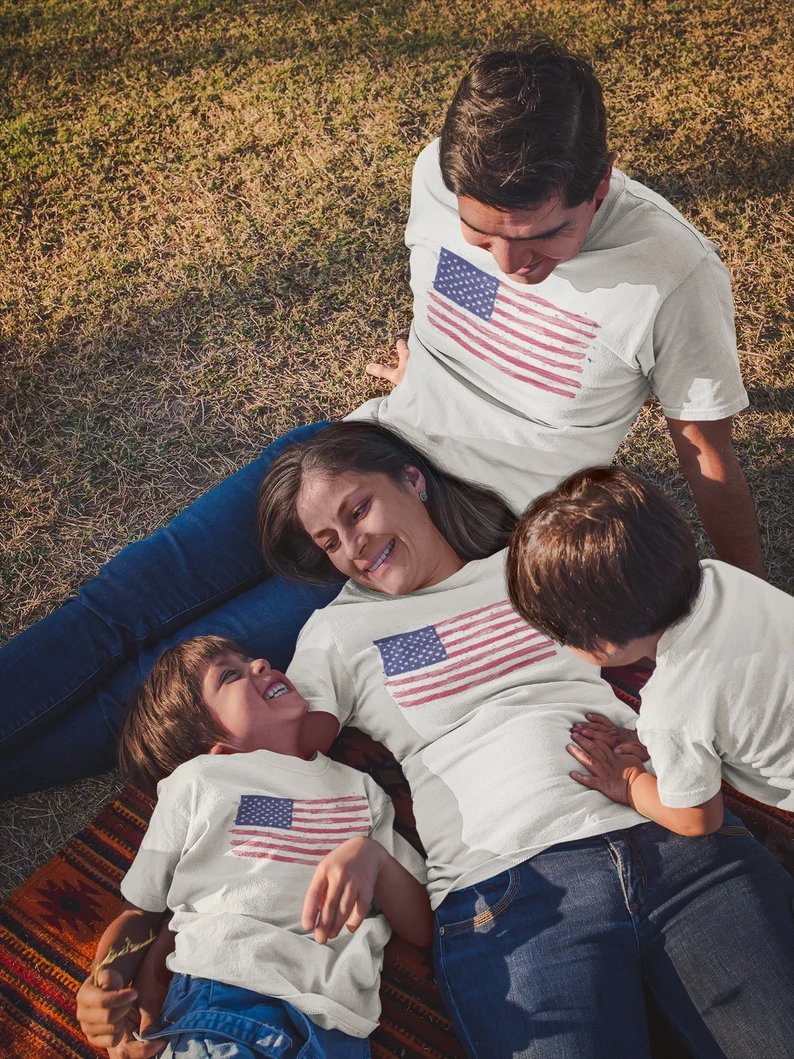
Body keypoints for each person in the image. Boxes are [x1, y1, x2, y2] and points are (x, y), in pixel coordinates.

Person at [0, 37, 764, 797]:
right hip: (348, 459)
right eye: (483, 235)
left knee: (182, 678)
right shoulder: (436, 174)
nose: (510, 263)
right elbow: (473, 309)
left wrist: (748, 604)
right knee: (123, 596)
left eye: (543, 238)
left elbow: (708, 455)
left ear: (598, 183)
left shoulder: (671, 273)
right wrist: (427, 378)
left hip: (442, 536)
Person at [254, 421, 794, 1059]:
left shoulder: (532, 561)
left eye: (358, 509)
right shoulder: (337, 634)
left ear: (411, 479)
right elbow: (267, 752)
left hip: (677, 840)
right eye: (328, 542)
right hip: (512, 895)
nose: (353, 545)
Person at [76, 634, 431, 1058]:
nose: (261, 663)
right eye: (230, 674)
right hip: (229, 997)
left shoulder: (361, 790)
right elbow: (140, 912)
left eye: (250, 659)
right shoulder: (201, 780)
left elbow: (421, 927)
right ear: (213, 745)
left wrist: (373, 858)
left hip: (337, 1024)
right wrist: (103, 979)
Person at [503, 466, 794, 836]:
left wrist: (629, 782)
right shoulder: (724, 577)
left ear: (602, 646)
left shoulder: (674, 708)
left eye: (561, 637)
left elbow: (698, 818)